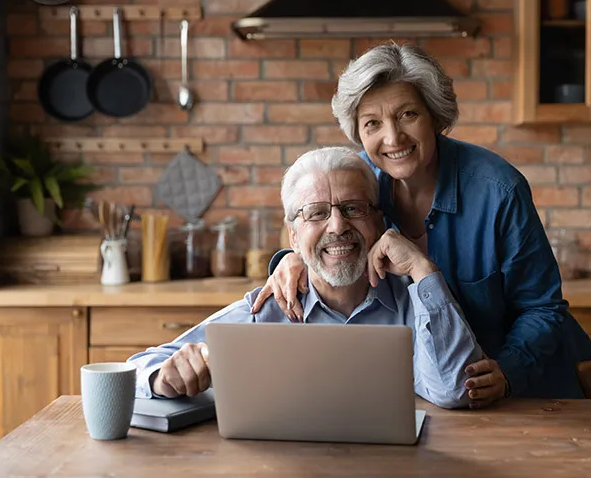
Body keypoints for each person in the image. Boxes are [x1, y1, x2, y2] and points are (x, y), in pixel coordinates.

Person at [252, 43, 591, 407]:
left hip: (526, 391)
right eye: (373, 123)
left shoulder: (498, 190)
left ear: (434, 115)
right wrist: (293, 260)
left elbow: (543, 307)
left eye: (407, 115)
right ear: (358, 132)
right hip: (429, 394)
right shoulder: (357, 182)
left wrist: (508, 372)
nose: (393, 138)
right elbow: (315, 228)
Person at [127, 146, 483, 410]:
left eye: (353, 208)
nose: (338, 226)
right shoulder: (268, 308)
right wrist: (161, 378)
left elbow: (454, 390)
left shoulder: (416, 305)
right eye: (316, 214)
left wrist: (423, 269)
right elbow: (134, 372)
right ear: (293, 236)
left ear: (378, 222)